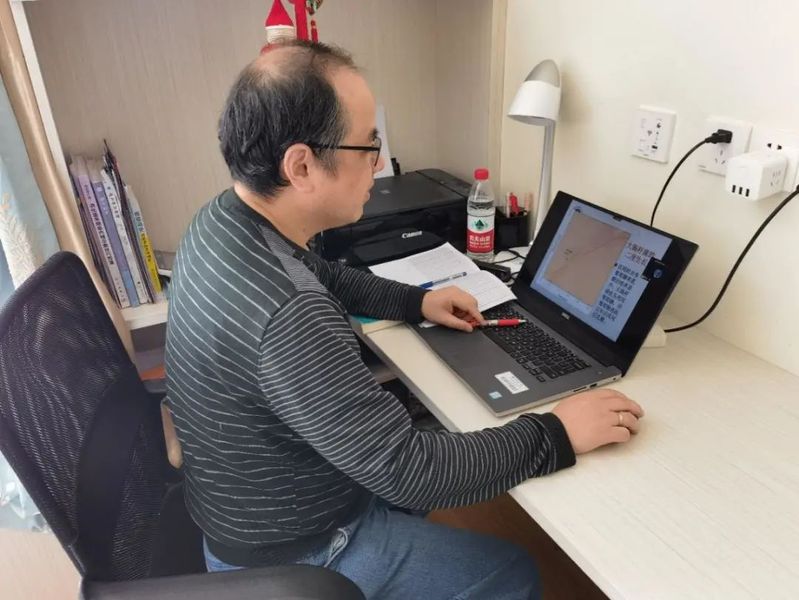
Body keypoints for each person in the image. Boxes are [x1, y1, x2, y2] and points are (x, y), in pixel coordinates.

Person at [164, 39, 644, 599]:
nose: (378, 162)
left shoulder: (219, 221)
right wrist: (558, 432)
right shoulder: (291, 314)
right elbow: (410, 472)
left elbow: (324, 274)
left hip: (246, 514)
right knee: (514, 570)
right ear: (301, 166)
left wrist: (417, 302)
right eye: (368, 145)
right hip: (301, 552)